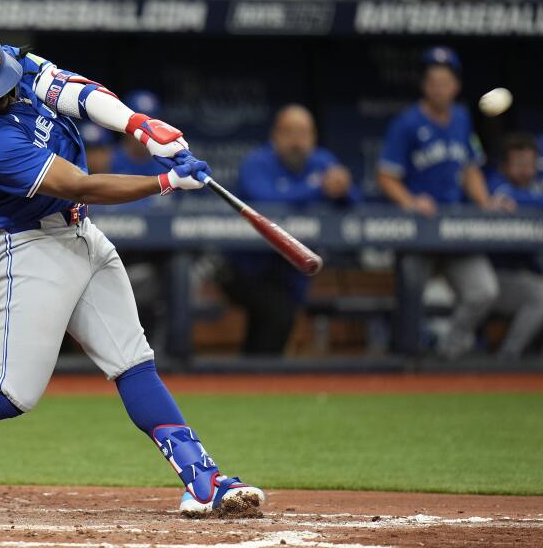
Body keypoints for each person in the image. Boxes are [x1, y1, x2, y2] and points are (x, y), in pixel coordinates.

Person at [0, 24, 265, 516]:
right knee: (14, 393)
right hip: (23, 249)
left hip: (76, 234)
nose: (7, 90)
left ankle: (203, 479)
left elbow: (75, 92)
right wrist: (165, 180)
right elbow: (79, 185)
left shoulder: (6, 64)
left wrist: (138, 126)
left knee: (132, 361)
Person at [376, 46, 510, 359]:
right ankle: (407, 357)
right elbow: (386, 176)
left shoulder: (462, 118)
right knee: (411, 293)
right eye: (433, 81)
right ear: (424, 85)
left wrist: (485, 202)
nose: (439, 87)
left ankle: (449, 349)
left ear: (456, 86)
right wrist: (411, 202)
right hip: (418, 228)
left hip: (455, 225)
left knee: (484, 290)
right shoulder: (407, 123)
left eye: (445, 81)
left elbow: (470, 168)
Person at [226, 104, 357, 355]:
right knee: (277, 313)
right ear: (275, 135)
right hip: (246, 268)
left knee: (273, 317)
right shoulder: (257, 162)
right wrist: (319, 189)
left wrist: (343, 189)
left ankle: (252, 376)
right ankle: (259, 377)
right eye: (290, 132)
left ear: (314, 137)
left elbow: (353, 200)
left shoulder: (322, 161)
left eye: (304, 133)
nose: (297, 141)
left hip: (290, 271)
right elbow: (266, 201)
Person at [485, 133, 543, 360]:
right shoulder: (495, 185)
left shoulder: (536, 188)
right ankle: (509, 357)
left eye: (529, 164)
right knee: (541, 295)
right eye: (519, 164)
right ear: (504, 166)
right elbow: (510, 199)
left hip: (528, 274)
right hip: (497, 275)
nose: (525, 170)